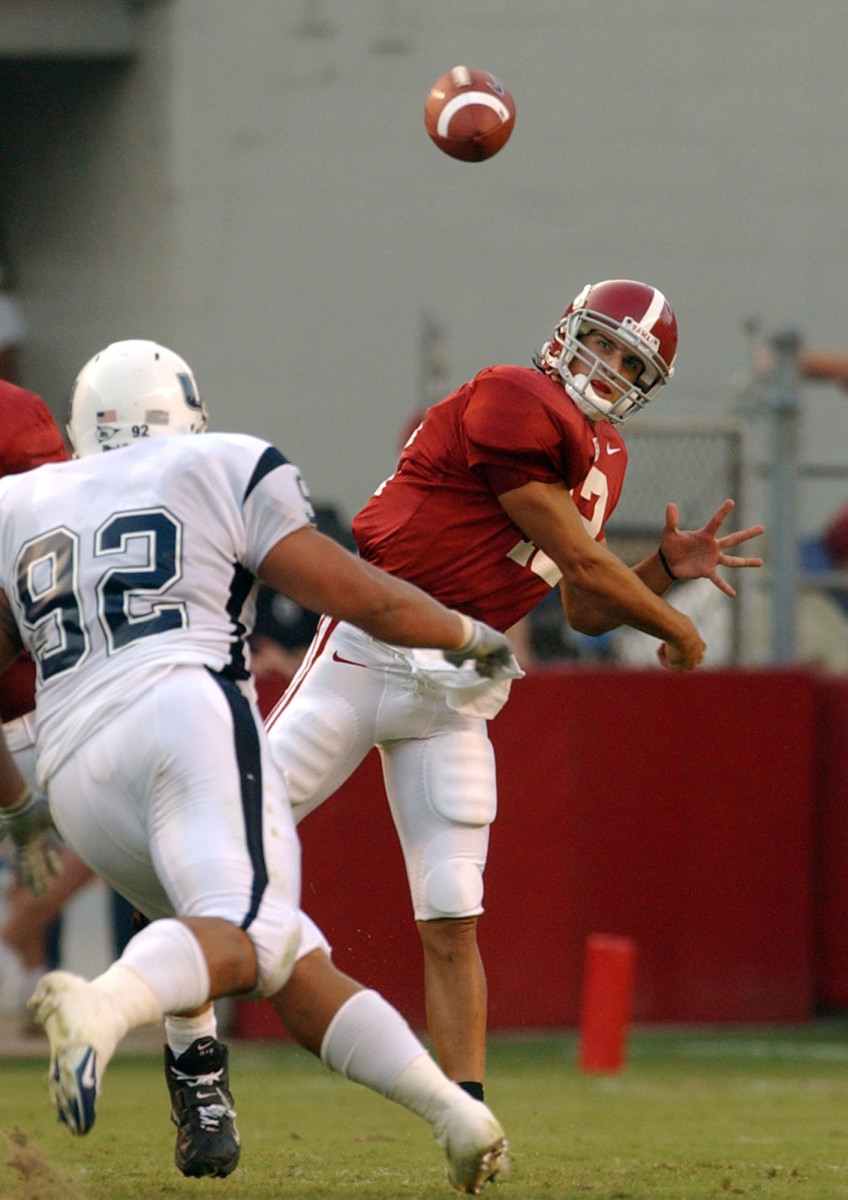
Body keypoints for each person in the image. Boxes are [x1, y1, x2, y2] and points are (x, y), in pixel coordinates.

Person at [0, 339, 512, 1194]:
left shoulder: (20, 501)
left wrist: (18, 809)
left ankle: (454, 1115)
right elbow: (365, 597)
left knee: (280, 953)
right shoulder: (219, 463)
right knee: (245, 932)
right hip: (183, 714)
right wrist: (467, 636)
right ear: (186, 412)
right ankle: (105, 1006)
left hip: (77, 764)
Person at [264, 279, 765, 1102]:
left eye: (626, 359)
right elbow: (575, 554)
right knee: (236, 831)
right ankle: (193, 1051)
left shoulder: (607, 454)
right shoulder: (512, 395)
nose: (605, 365)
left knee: (454, 911)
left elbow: (584, 605)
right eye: (600, 343)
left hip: (462, 683)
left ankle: (469, 1116)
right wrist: (676, 626)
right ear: (568, 331)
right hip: (372, 642)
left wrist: (667, 573)